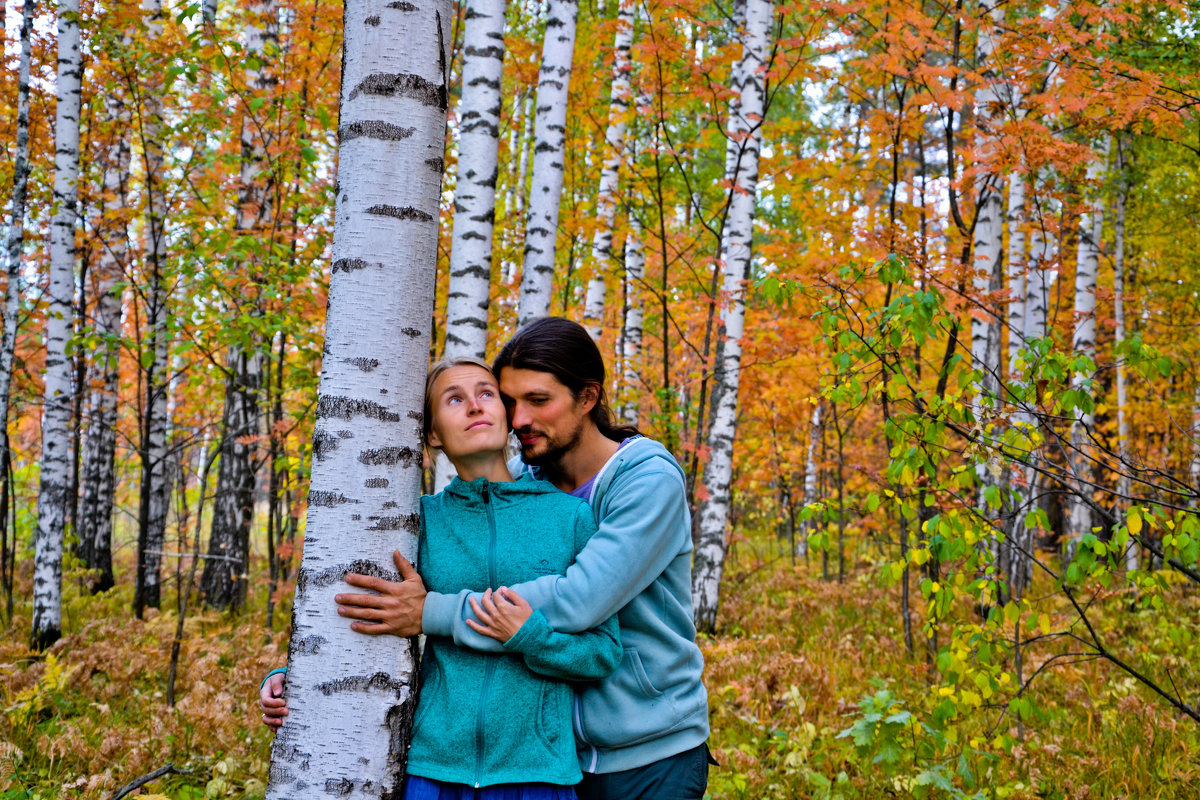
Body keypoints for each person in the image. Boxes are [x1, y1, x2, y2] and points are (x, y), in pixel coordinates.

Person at [264, 317, 712, 800]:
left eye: (538, 401)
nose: (518, 419)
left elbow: (580, 601)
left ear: (587, 398)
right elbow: (373, 598)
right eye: (511, 400)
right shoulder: (513, 481)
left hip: (647, 747)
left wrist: (431, 611)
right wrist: (308, 674)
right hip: (553, 758)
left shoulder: (645, 479)